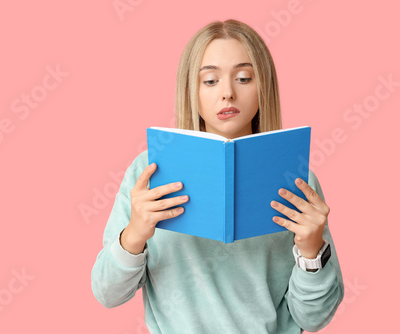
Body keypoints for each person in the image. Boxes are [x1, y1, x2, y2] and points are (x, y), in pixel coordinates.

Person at [91, 19, 344, 333]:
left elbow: (313, 318)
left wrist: (311, 251)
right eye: (210, 80)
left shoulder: (297, 179)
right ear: (191, 90)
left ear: (263, 84)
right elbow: (108, 293)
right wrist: (134, 235)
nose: (227, 93)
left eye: (243, 78)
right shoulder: (148, 173)